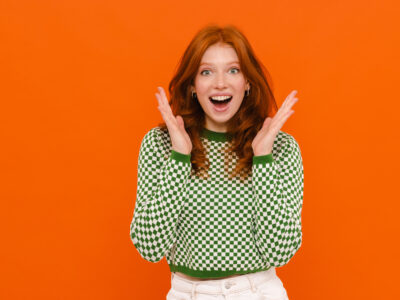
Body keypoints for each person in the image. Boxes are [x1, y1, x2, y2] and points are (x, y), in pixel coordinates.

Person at [130, 24, 303, 300]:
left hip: (257, 292)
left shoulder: (280, 148)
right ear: (192, 85)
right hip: (188, 293)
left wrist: (263, 160)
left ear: (247, 82)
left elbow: (280, 251)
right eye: (206, 72)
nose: (220, 83)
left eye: (233, 70)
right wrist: (179, 157)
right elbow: (150, 247)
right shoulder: (161, 144)